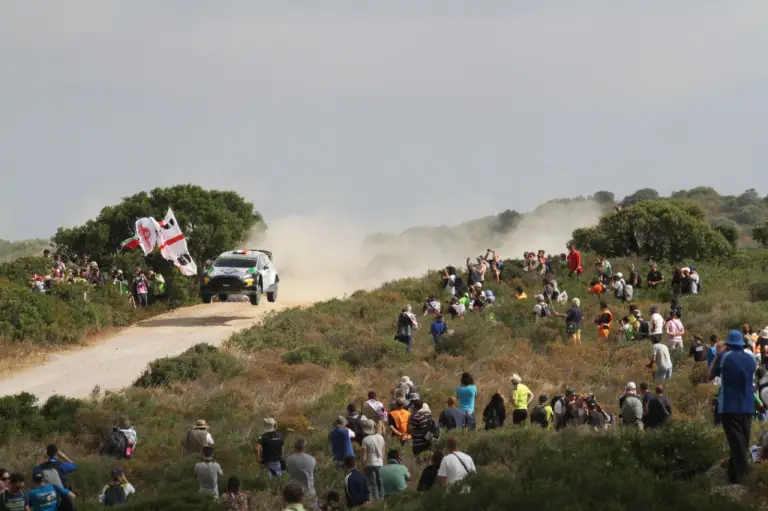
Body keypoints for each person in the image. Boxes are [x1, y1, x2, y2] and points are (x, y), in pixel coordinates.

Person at [708, 330, 757, 484]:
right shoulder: (751, 359)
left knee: (737, 444)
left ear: (728, 345)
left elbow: (708, 375)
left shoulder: (724, 358)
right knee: (742, 442)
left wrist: (716, 355)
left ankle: (745, 477)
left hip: (729, 407)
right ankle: (733, 476)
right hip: (748, 406)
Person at [285, 438, 317, 503]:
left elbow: (288, 472)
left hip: (294, 494)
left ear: (295, 447)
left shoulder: (289, 459)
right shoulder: (312, 459)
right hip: (309, 492)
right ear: (305, 447)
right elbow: (314, 473)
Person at [361, 419, 385, 502]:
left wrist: (362, 467)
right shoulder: (381, 437)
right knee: (381, 483)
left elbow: (364, 456)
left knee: (373, 485)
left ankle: (377, 503)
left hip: (369, 464)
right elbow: (383, 452)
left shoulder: (365, 440)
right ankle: (382, 502)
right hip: (380, 463)